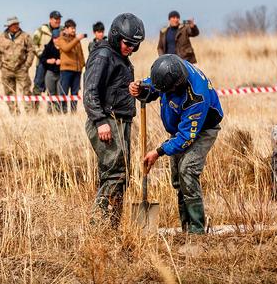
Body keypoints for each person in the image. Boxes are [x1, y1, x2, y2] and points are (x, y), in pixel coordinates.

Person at [130, 55, 224, 234]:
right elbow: (154, 84)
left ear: (177, 85)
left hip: (202, 130)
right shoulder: (170, 68)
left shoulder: (196, 96)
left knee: (187, 170)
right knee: (177, 179)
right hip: (179, 129)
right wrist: (140, 89)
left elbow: (186, 137)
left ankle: (197, 232)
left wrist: (158, 151)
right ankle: (185, 229)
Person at [83, 13, 145, 226]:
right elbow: (90, 91)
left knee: (122, 174)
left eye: (135, 46)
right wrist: (100, 121)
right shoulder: (103, 55)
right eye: (128, 43)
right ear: (116, 36)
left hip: (120, 121)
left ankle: (112, 226)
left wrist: (133, 89)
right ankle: (98, 226)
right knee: (115, 173)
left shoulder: (120, 57)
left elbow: (114, 88)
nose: (131, 48)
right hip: (107, 122)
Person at [0, 17, 35, 114]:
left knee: (26, 91)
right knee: (9, 92)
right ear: (9, 26)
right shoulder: (1, 37)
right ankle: (14, 113)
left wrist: (27, 65)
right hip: (6, 70)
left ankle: (30, 113)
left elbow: (31, 51)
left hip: (21, 69)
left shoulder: (25, 36)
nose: (16, 26)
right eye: (13, 24)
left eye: (17, 24)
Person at [54, 19, 85, 112]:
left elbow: (80, 53)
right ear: (66, 29)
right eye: (72, 28)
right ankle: (62, 111)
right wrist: (77, 39)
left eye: (74, 28)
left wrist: (83, 64)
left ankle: (73, 111)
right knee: (64, 91)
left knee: (75, 92)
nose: (74, 30)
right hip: (66, 70)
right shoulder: (61, 39)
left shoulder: (76, 39)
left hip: (77, 70)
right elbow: (66, 48)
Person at [31, 11, 62, 96]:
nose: (58, 21)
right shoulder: (41, 30)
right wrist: (41, 55)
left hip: (57, 64)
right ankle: (34, 108)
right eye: (56, 19)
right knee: (38, 86)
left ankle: (53, 109)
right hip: (42, 63)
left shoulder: (62, 31)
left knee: (54, 90)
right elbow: (33, 44)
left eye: (59, 19)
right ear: (50, 19)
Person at [39, 31, 61, 113]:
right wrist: (48, 60)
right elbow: (42, 59)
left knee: (59, 93)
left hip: (60, 73)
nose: (56, 40)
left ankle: (59, 111)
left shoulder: (64, 47)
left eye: (58, 38)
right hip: (50, 73)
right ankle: (50, 111)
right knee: (51, 93)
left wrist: (62, 61)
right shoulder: (48, 47)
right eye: (54, 38)